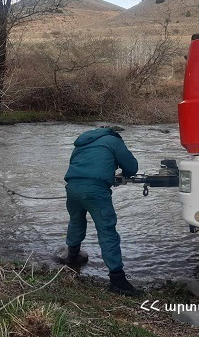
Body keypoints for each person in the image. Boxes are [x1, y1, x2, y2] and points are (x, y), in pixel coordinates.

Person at [59, 126, 141, 296]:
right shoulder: (113, 141)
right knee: (107, 230)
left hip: (72, 187)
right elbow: (131, 167)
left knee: (76, 220)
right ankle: (117, 280)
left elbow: (77, 165)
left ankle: (72, 256)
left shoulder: (81, 143)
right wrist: (122, 173)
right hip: (96, 190)